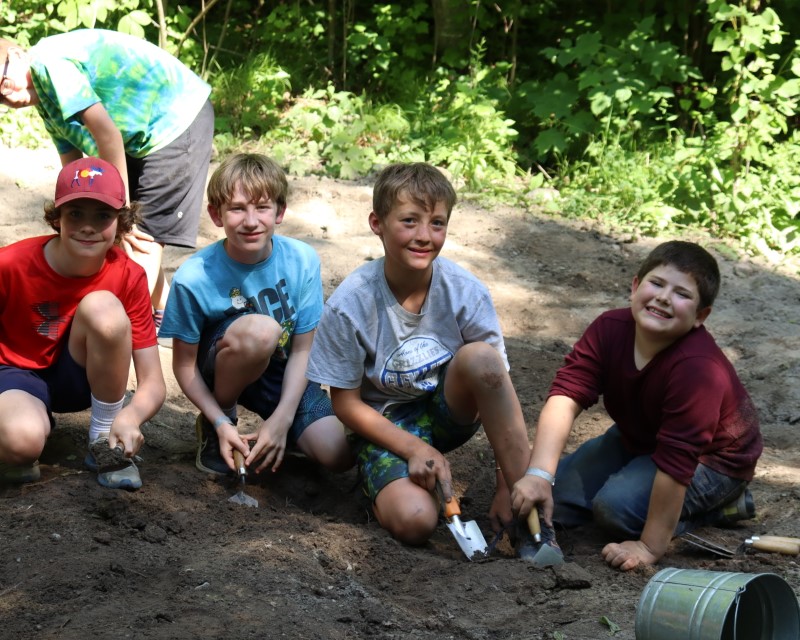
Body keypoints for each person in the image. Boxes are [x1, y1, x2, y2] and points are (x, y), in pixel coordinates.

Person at [306, 162, 533, 550]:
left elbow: (499, 392)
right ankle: (382, 486)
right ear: (377, 223)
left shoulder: (465, 291)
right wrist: (414, 447)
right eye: (409, 221)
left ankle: (529, 512)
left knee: (482, 358)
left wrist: (504, 484)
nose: (424, 236)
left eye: (437, 223)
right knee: (415, 522)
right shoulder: (351, 303)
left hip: (448, 410)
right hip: (383, 424)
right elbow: (344, 403)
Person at [511, 241, 763, 571]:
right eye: (656, 283)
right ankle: (635, 490)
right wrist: (539, 475)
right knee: (556, 495)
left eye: (681, 294)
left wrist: (648, 546)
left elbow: (678, 461)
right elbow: (566, 396)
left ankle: (721, 507)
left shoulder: (697, 368)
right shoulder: (609, 329)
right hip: (641, 436)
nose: (663, 297)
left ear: (701, 316)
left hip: (712, 459)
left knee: (614, 510)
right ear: (635, 286)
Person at [0, 29, 214, 329]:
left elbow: (108, 137)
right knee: (117, 232)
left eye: (3, 82)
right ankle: (176, 316)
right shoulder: (45, 101)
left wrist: (119, 214)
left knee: (140, 237)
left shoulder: (49, 64)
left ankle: (121, 328)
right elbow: (73, 164)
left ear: (17, 55)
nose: (7, 95)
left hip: (174, 118)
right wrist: (72, 211)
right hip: (136, 135)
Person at [158, 153, 353, 477]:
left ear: (280, 212)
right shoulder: (193, 276)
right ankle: (218, 422)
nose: (251, 221)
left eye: (262, 207)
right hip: (221, 368)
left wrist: (282, 419)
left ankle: (280, 433)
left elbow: (304, 349)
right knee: (261, 331)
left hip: (282, 372)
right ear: (216, 214)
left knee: (338, 455)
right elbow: (183, 364)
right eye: (237, 208)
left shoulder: (302, 260)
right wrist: (219, 419)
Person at [0, 157, 166, 489]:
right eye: (75, 214)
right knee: (21, 443)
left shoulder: (128, 275)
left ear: (120, 223)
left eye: (102, 216)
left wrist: (129, 417)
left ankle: (103, 440)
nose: (88, 227)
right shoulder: (10, 264)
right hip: (14, 372)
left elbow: (153, 383)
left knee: (103, 306)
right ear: (57, 217)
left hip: (80, 376)